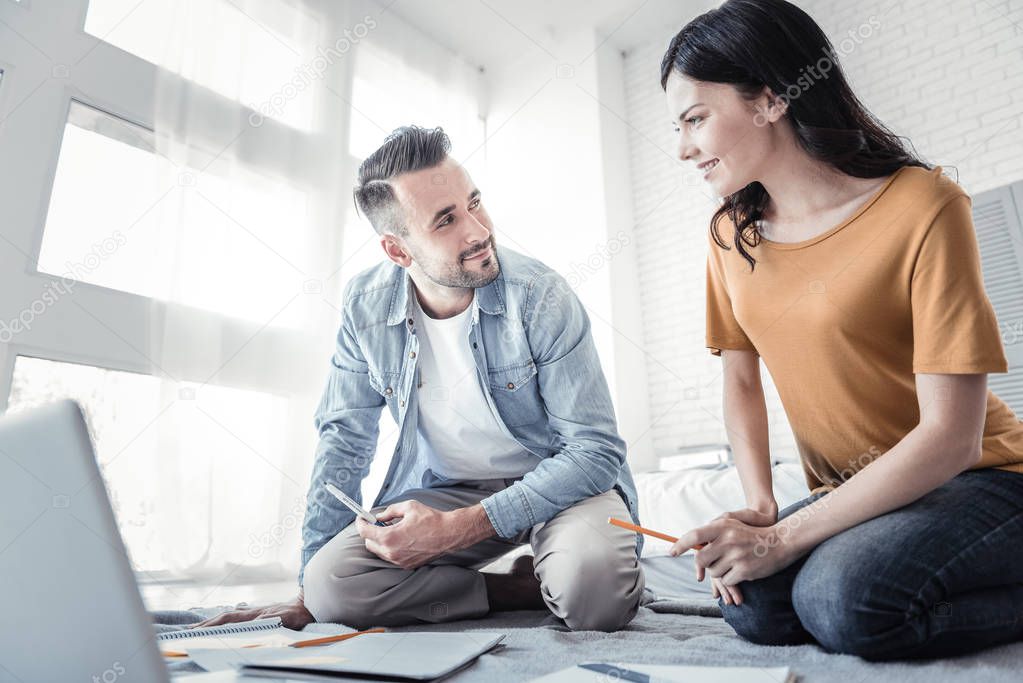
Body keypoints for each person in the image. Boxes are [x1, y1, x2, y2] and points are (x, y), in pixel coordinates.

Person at [660, 0, 1023, 661]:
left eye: (694, 119)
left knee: (842, 598)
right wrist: (761, 508)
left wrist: (784, 543)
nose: (682, 148)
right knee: (752, 601)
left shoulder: (923, 205)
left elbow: (951, 437)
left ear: (769, 100)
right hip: (853, 494)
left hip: (981, 478)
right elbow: (739, 380)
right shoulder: (727, 236)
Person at [194, 125, 645, 633]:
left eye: (474, 203)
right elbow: (343, 441)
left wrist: (458, 530)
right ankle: (517, 588)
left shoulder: (541, 296)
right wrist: (307, 592)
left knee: (594, 596)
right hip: (452, 488)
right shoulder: (365, 308)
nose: (477, 231)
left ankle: (558, 569)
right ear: (398, 251)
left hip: (561, 485)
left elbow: (593, 451)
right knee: (332, 586)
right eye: (446, 220)